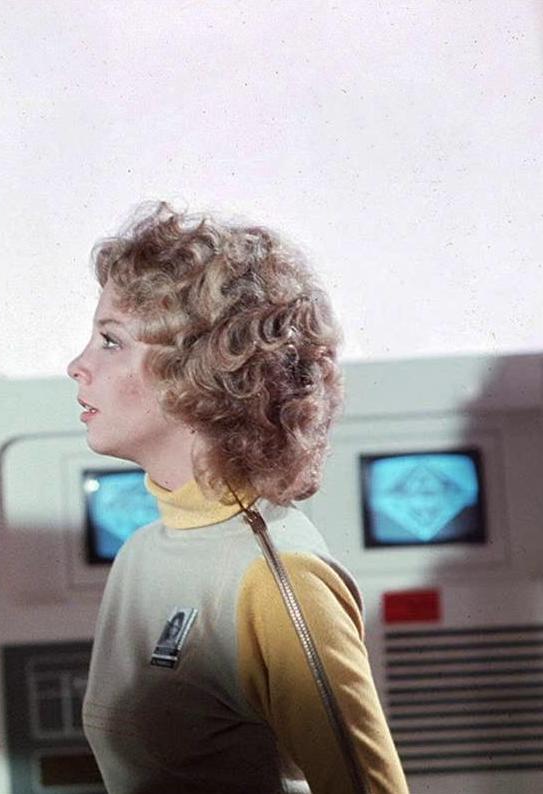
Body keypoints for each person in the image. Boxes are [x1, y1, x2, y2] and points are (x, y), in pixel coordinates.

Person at [71, 203, 408, 793]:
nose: (77, 365)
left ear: (195, 372)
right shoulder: (141, 554)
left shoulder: (278, 578)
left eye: (110, 341)